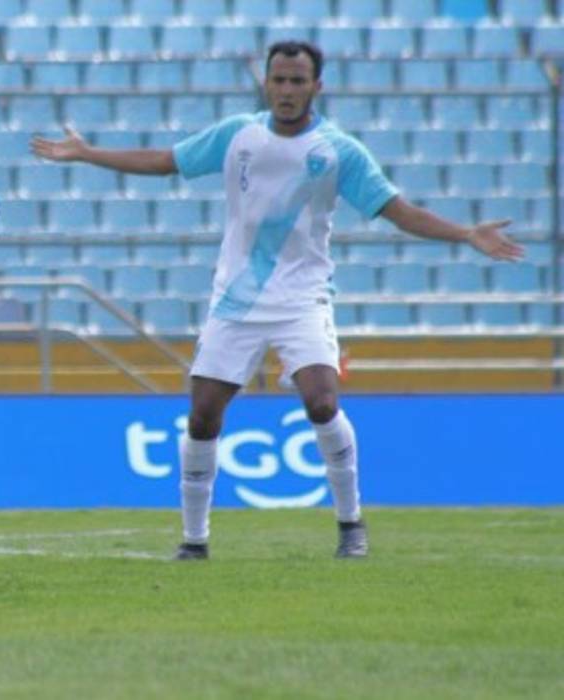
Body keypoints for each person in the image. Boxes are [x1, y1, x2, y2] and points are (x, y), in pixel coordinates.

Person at [31, 41, 523, 560]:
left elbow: (399, 211)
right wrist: (88, 153)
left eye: (297, 81)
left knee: (322, 401)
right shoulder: (238, 135)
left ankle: (351, 524)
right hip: (237, 299)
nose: (287, 90)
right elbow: (164, 161)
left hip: (302, 298)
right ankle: (194, 541)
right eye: (279, 80)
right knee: (202, 415)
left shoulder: (339, 151)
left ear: (317, 87)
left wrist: (465, 233)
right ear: (266, 83)